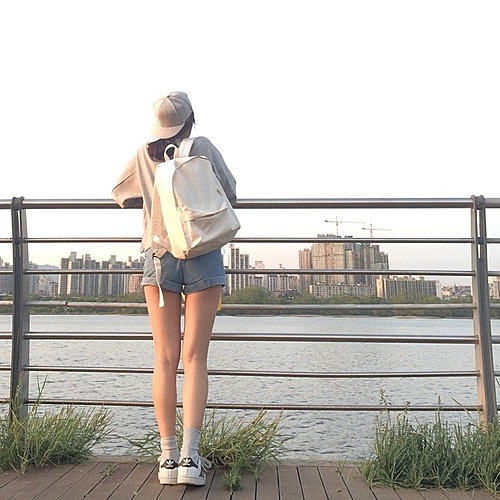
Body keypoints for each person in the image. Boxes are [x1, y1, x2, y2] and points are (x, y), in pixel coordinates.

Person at [112, 91, 237, 486]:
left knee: (165, 359)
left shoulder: (142, 153)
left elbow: (120, 194)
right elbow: (229, 190)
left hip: (159, 256)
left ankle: (166, 459)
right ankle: (190, 458)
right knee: (195, 357)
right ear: (190, 119)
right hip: (203, 251)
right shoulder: (203, 147)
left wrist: (155, 198)